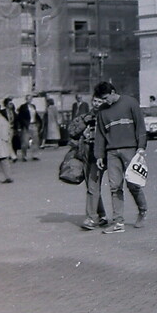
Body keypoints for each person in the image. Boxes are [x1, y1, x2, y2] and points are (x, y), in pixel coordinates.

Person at [93, 82, 148, 234]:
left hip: (130, 150)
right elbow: (100, 135)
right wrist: (99, 155)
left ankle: (142, 211)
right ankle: (118, 222)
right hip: (111, 153)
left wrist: (141, 147)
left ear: (112, 92)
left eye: (105, 98)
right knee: (114, 187)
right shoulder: (102, 112)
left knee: (133, 184)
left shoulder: (130, 103)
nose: (104, 102)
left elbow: (140, 126)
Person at [68, 97, 109, 230]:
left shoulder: (108, 115)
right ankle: (101, 215)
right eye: (95, 101)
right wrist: (84, 122)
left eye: (100, 101)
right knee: (92, 186)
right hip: (86, 153)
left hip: (101, 155)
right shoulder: (86, 116)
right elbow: (71, 131)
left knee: (93, 186)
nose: (97, 104)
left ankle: (92, 218)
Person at [16, 94, 42, 161]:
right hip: (26, 125)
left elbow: (36, 115)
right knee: (25, 142)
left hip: (34, 124)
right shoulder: (23, 107)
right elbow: (20, 117)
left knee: (36, 140)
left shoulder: (33, 106)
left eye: (30, 99)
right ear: (26, 99)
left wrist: (39, 122)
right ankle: (24, 155)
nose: (29, 100)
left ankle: (35, 155)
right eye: (28, 99)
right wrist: (21, 125)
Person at [1, 97, 18, 161]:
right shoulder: (3, 112)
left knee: (9, 142)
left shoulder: (13, 112)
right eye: (10, 103)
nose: (11, 105)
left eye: (11, 104)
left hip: (11, 128)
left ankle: (11, 155)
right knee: (8, 142)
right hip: (5, 129)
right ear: (6, 104)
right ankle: (12, 156)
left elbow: (16, 120)